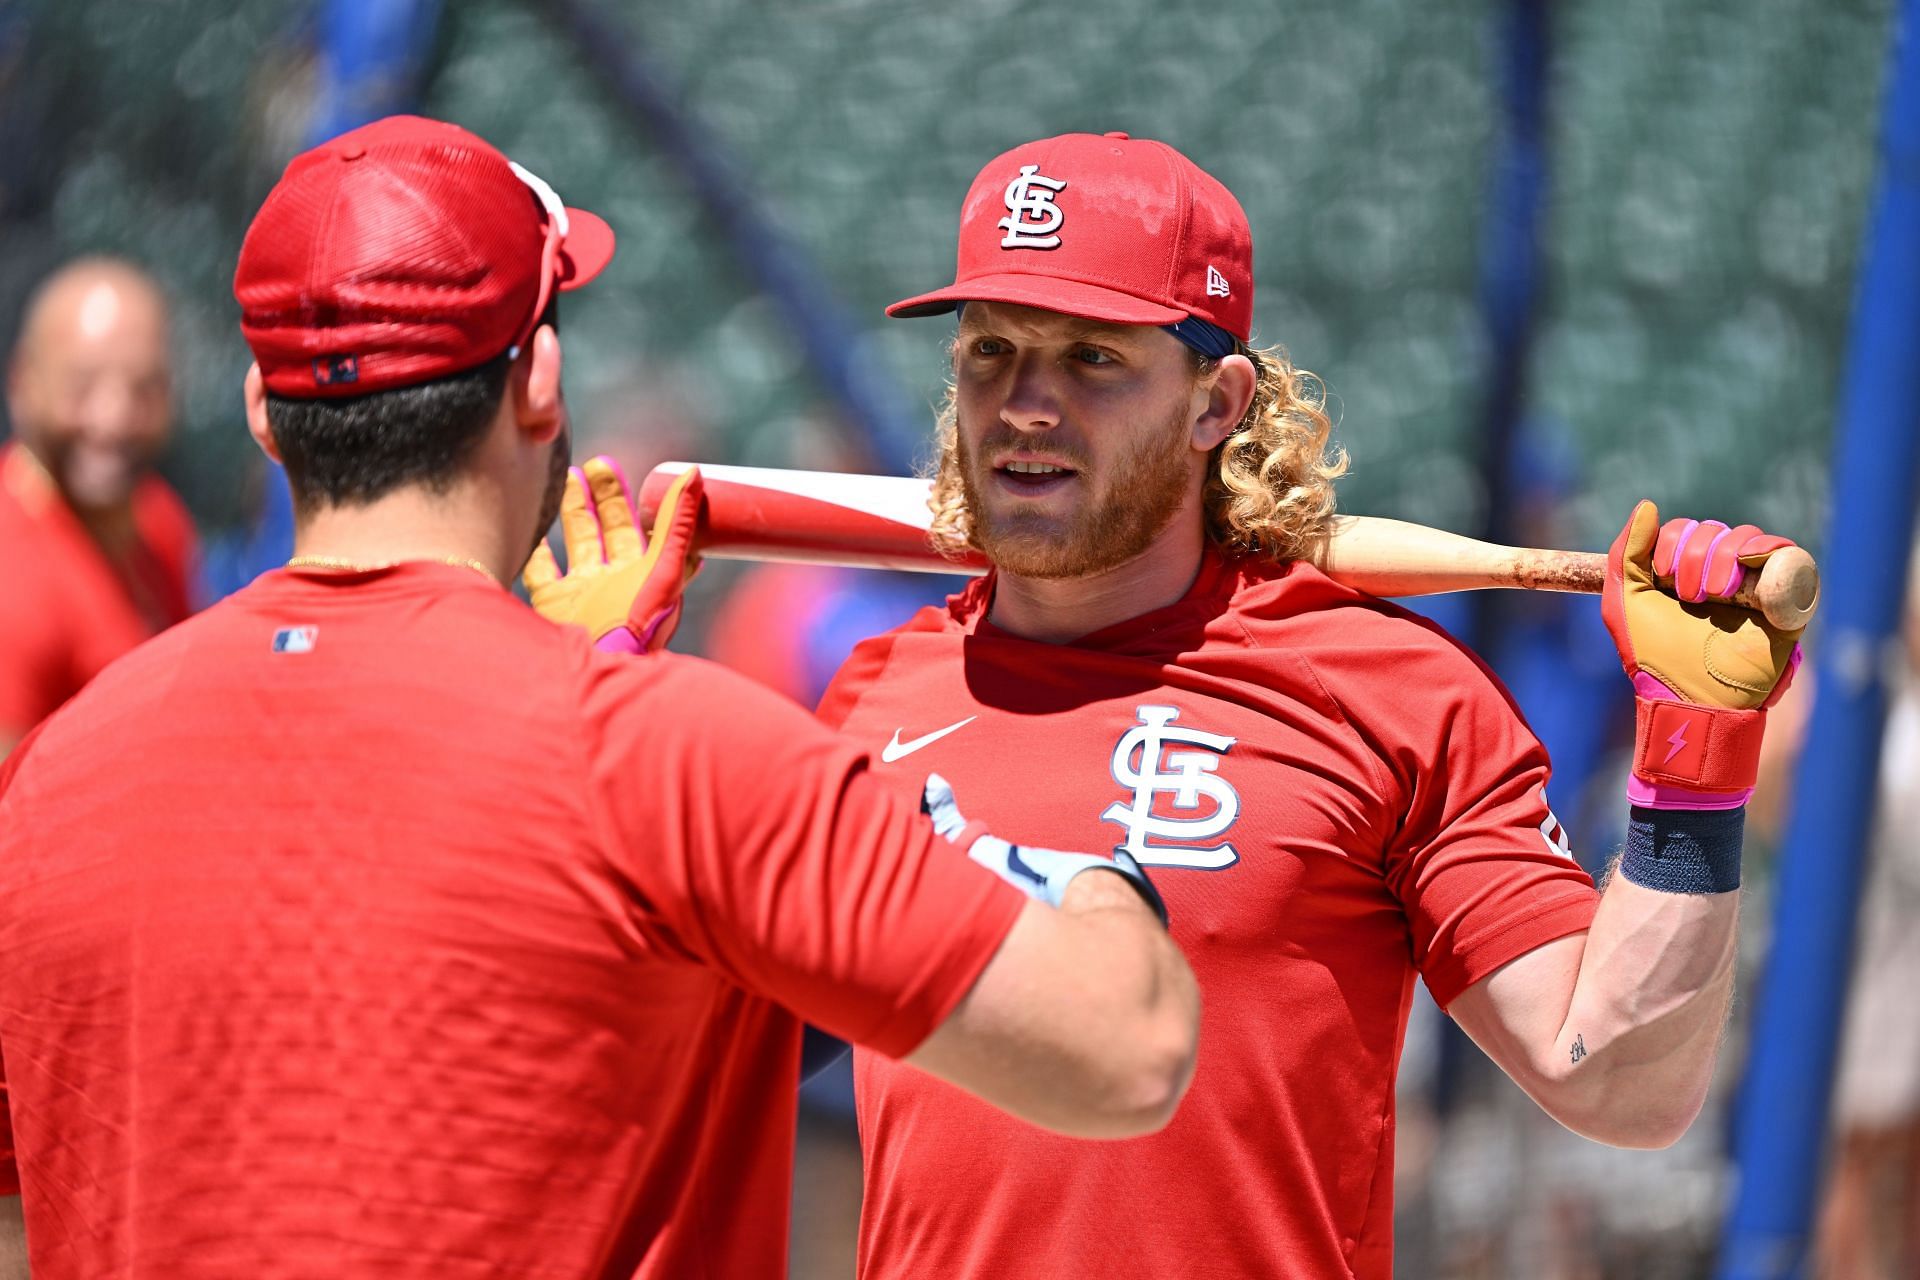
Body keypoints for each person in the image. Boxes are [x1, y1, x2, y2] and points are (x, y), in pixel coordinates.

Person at [538, 130, 1805, 1279]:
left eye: (1093, 358)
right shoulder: (876, 696)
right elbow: (676, 1068)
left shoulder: (1389, 687)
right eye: (992, 351)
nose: (1026, 404)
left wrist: (1695, 766)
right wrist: (581, 720)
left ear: (1218, 403)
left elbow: (1620, 1081)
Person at [0, 116, 1200, 1280]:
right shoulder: (671, 759)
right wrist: (989, 849)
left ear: (263, 413)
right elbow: (1125, 1044)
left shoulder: (48, 778)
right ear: (541, 379)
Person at [0, 257, 197, 755]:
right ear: (23, 383)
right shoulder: (12, 565)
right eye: (82, 386)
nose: (113, 418)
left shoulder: (159, 520)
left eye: (143, 388)